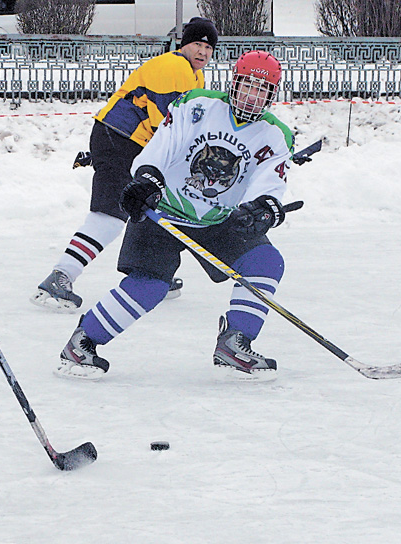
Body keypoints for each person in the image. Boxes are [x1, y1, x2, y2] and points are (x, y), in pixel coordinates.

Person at [54, 50, 294, 382]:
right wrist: (147, 177)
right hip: (162, 210)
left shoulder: (275, 135)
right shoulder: (198, 105)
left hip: (217, 220)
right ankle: (83, 341)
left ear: (272, 95)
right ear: (234, 83)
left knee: (266, 261)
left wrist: (263, 207)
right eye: (247, 85)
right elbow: (163, 144)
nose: (252, 95)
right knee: (150, 286)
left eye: (261, 89)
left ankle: (235, 340)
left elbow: (270, 180)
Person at [30, 17, 218, 313]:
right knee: (111, 214)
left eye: (209, 47)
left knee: (154, 206)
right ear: (184, 44)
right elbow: (167, 125)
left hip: (128, 142)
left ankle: (152, 273)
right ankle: (61, 276)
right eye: (197, 43)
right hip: (121, 139)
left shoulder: (195, 77)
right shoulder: (176, 67)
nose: (203, 51)